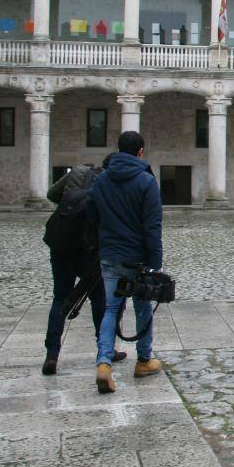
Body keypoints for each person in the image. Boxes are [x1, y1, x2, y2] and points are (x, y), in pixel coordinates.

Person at [87, 131, 163, 394]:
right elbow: (152, 225)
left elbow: (92, 214)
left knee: (110, 309)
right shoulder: (146, 180)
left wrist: (103, 242)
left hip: (110, 255)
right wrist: (155, 261)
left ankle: (104, 363)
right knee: (142, 308)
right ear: (140, 151)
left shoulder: (101, 180)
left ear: (118, 150)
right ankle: (144, 360)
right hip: (138, 257)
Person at [41, 156, 125, 375]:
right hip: (87, 250)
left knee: (60, 297)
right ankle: (105, 350)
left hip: (60, 243)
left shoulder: (77, 171)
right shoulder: (108, 184)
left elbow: (52, 194)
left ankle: (52, 354)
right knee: (99, 300)